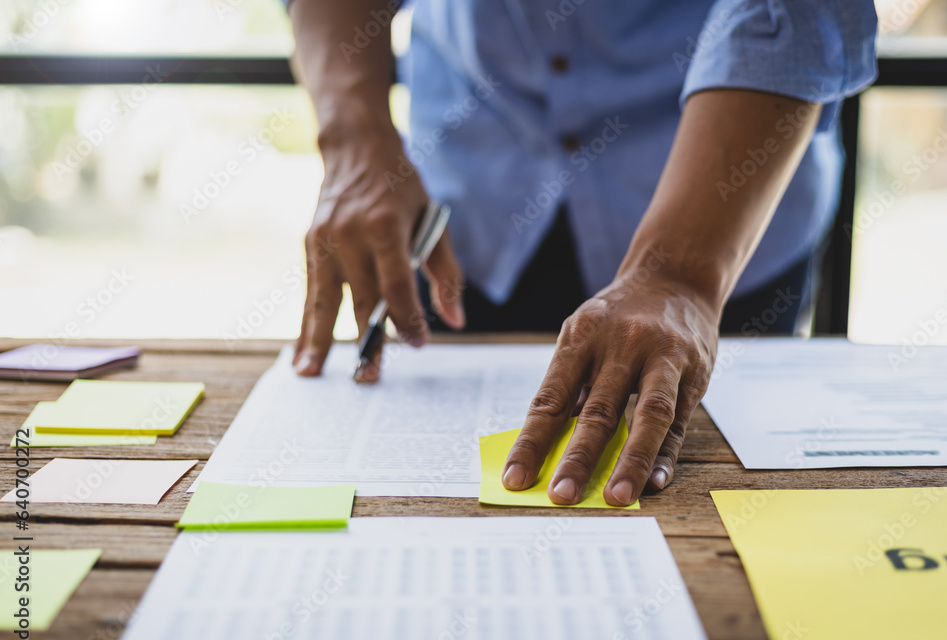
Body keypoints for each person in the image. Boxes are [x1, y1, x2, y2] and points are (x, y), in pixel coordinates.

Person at [286, 0, 878, 506]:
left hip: (722, 195)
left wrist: (681, 273)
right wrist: (353, 137)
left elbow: (791, 15)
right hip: (470, 218)